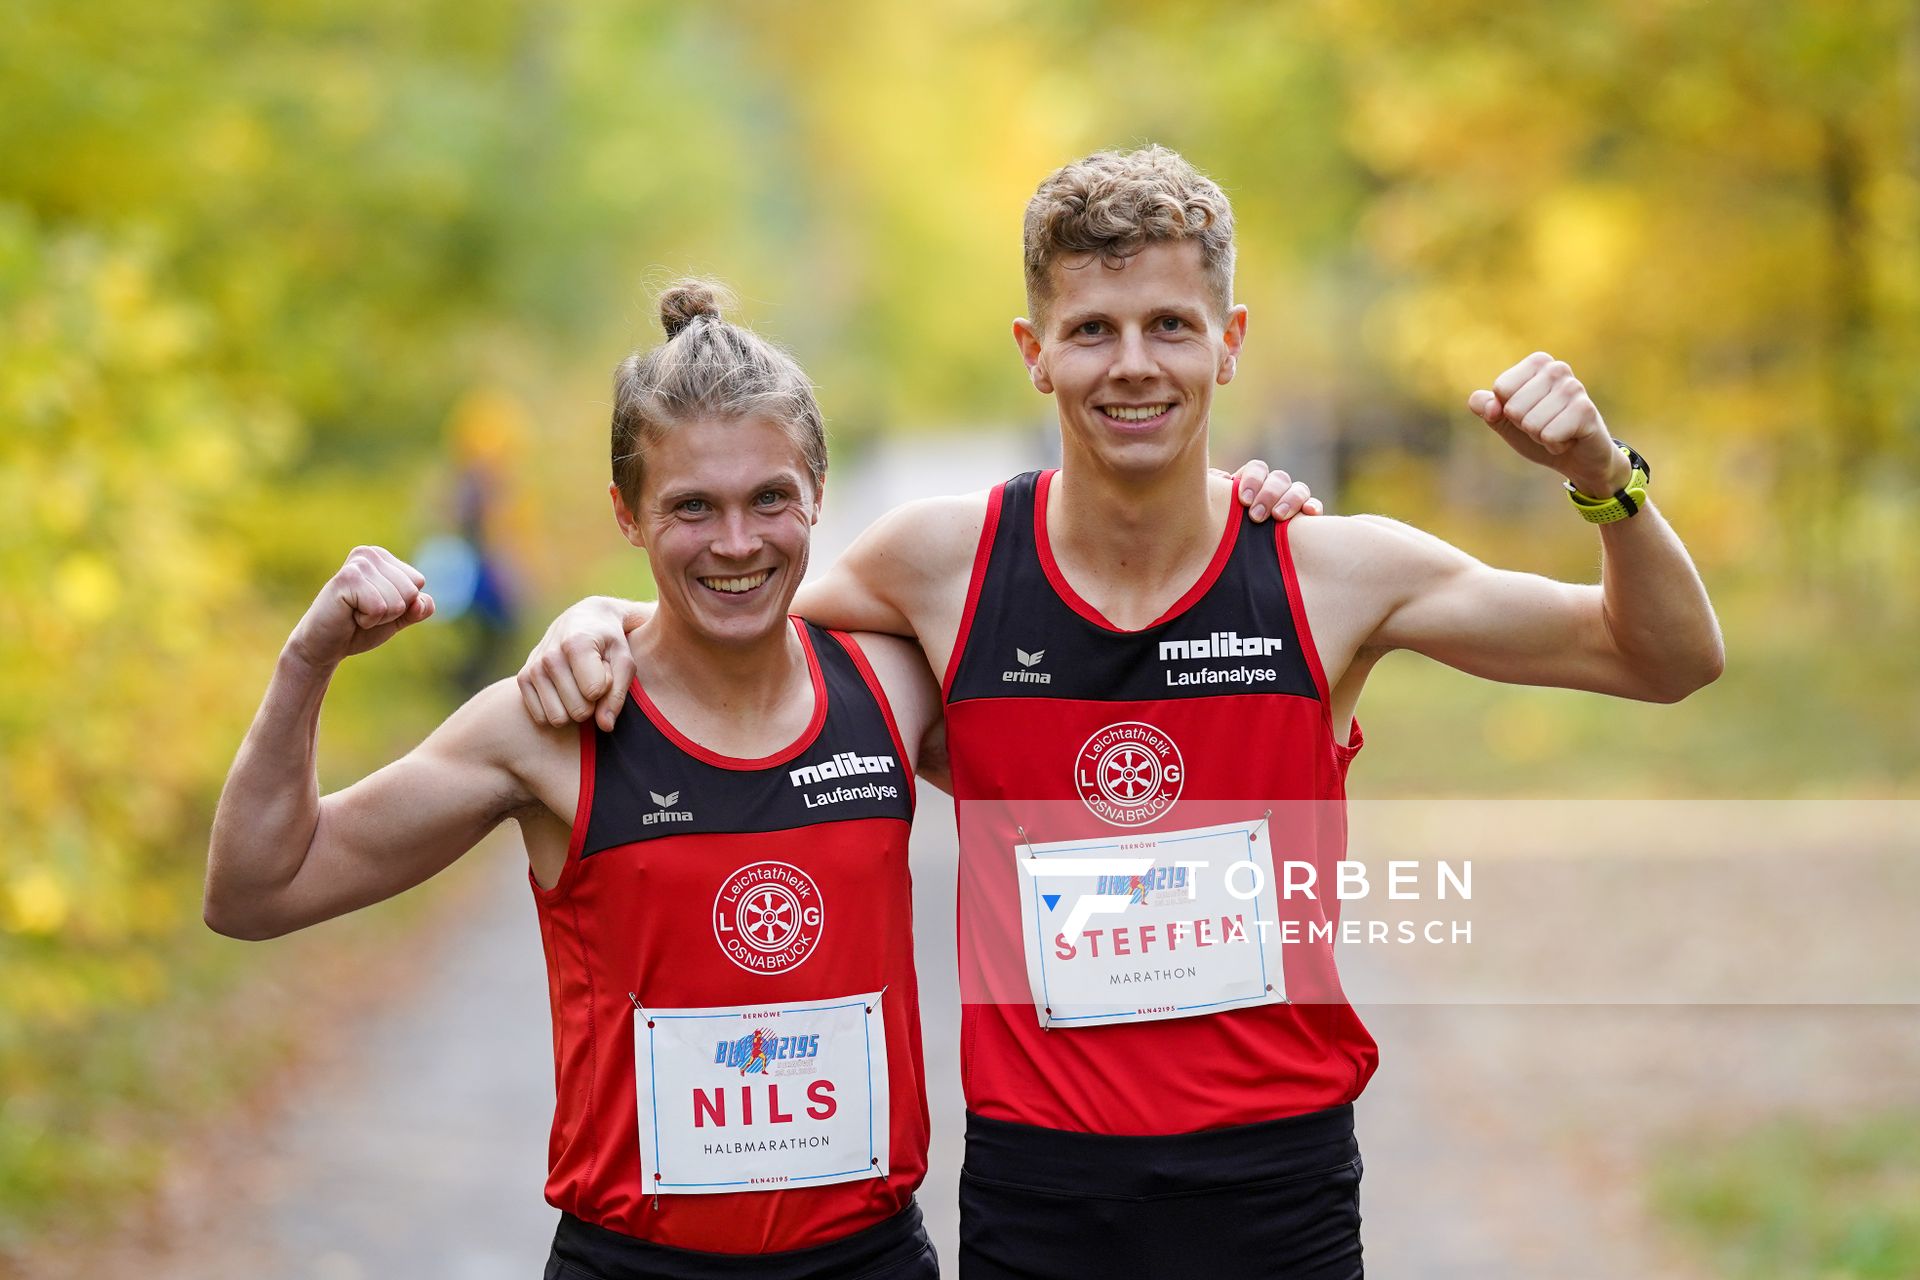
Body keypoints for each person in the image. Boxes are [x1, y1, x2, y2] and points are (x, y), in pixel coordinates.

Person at [518, 147, 1724, 1279]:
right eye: (1091, 328)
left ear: (1230, 343)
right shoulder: (943, 565)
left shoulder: (1325, 567)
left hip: (1276, 1181)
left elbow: (1664, 656)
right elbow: (729, 616)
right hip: (1041, 1190)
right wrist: (597, 621)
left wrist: (1602, 480)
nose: (1132, 363)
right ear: (1034, 350)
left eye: (1169, 327)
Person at [207, 282, 969, 1278]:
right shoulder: (554, 723)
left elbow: (1135, 726)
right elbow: (258, 887)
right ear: (627, 512)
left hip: (869, 1259)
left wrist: (1245, 515)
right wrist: (307, 661)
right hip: (634, 1263)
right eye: (691, 506)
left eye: (768, 498)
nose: (737, 542)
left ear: (817, 490)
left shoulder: (892, 683)